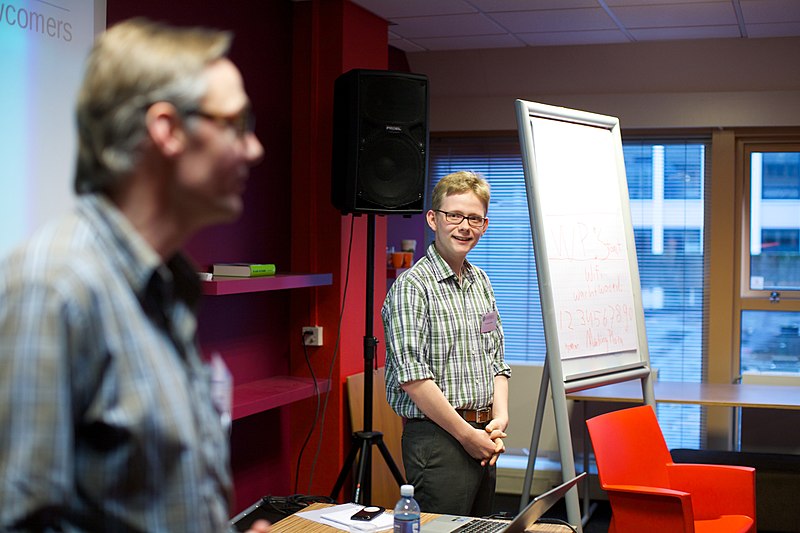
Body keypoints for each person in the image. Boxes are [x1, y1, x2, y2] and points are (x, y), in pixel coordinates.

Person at [0, 18, 270, 532]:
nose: (253, 149)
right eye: (236, 123)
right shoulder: (53, 287)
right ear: (166, 129)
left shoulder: (165, 288)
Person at [382, 171, 511, 517]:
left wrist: (499, 417)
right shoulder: (413, 287)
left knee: (479, 527)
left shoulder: (480, 281)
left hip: (483, 435)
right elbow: (412, 378)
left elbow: (496, 359)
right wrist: (467, 435)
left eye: (474, 218)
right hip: (439, 440)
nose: (464, 226)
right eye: (454, 215)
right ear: (433, 219)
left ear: (485, 225)